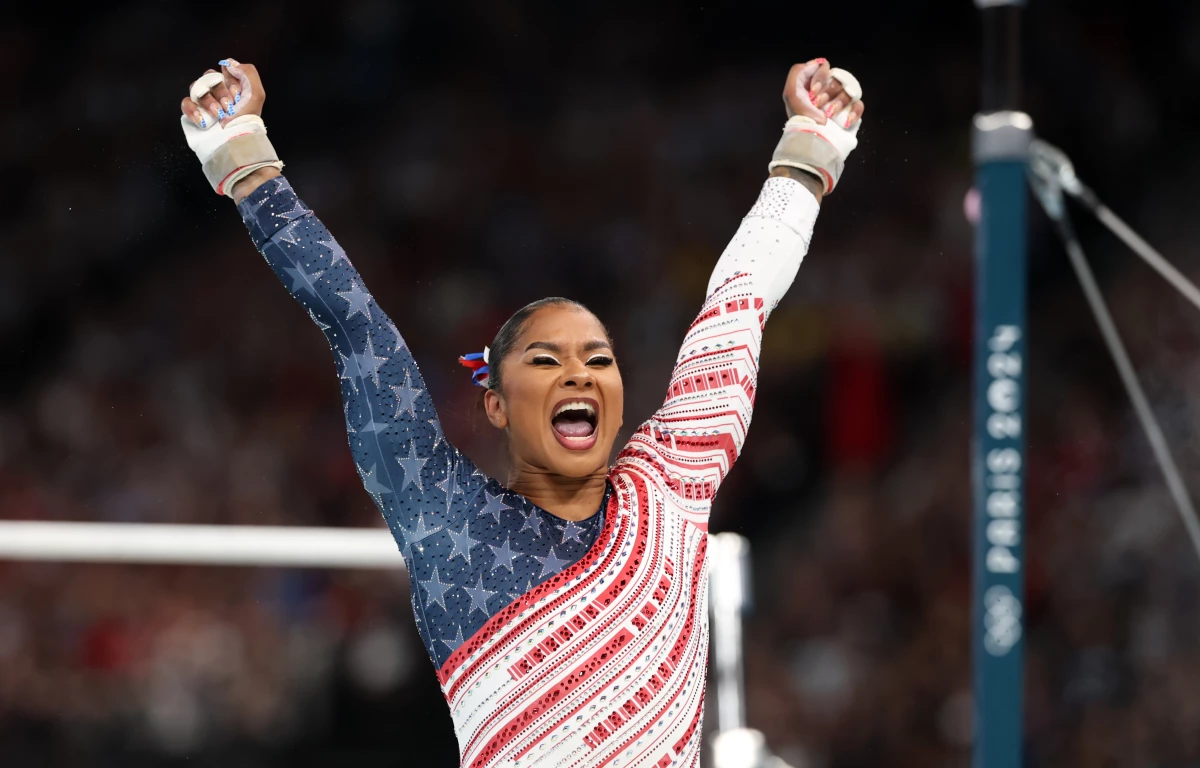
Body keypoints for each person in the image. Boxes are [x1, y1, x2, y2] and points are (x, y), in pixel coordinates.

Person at [178, 55, 865, 766]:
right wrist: (245, 158)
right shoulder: (446, 522)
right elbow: (356, 326)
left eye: (598, 360)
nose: (579, 374)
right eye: (546, 361)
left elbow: (740, 304)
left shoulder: (668, 487)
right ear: (497, 408)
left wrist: (810, 148)